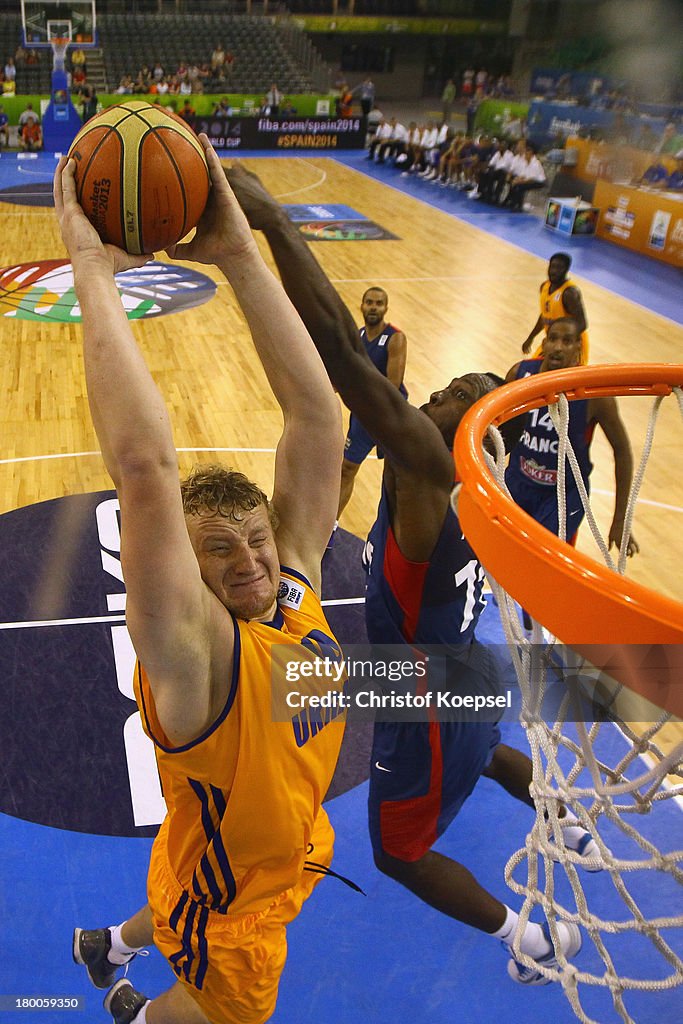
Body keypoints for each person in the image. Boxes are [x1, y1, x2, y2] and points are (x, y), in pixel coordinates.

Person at [226, 164, 608, 989]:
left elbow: (340, 356)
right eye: (445, 385)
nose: (444, 390)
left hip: (424, 687)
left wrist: (268, 221)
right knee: (327, 688)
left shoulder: (429, 470)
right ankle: (562, 815)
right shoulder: (459, 481)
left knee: (394, 851)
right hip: (461, 669)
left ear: (462, 430)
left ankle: (531, 941)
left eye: (458, 394)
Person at [58, 139, 347, 1023]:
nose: (252, 562)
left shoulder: (286, 582)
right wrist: (90, 269)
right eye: (217, 551)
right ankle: (136, 1012)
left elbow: (317, 416)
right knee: (219, 1014)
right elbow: (144, 468)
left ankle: (106, 946)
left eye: (256, 539)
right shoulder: (194, 655)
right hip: (230, 909)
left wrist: (239, 252)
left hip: (257, 842)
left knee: (182, 873)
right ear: (184, 572)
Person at [506, 318, 638, 555]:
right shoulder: (519, 374)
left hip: (563, 496)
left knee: (542, 562)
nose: (558, 347)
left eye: (567, 341)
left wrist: (620, 520)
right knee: (503, 556)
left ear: (578, 347)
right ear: (544, 343)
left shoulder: (594, 394)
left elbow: (623, 451)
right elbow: (496, 432)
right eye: (553, 339)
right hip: (517, 481)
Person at [334, 287, 407, 530]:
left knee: (397, 476)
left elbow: (392, 385)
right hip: (364, 415)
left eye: (378, 303)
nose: (373, 307)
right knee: (346, 469)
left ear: (386, 308)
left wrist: (354, 387)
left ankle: (396, 529)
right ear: (362, 306)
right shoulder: (358, 335)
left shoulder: (395, 338)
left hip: (390, 418)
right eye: (369, 302)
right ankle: (332, 524)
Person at [522, 252, 589, 364]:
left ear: (566, 270)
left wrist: (564, 344)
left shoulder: (569, 293)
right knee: (534, 368)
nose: (554, 271)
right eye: (552, 267)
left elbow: (582, 324)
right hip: (553, 340)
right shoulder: (545, 286)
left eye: (559, 268)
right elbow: (544, 316)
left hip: (569, 345)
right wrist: (531, 337)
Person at [504, 141, 546, 211]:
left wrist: (519, 182)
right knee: (516, 185)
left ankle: (518, 205)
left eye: (527, 152)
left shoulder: (535, 163)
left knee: (520, 186)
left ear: (531, 154)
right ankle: (515, 204)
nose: (525, 154)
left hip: (538, 182)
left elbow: (531, 179)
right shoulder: (525, 161)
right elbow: (523, 175)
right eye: (525, 152)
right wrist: (517, 179)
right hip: (529, 179)